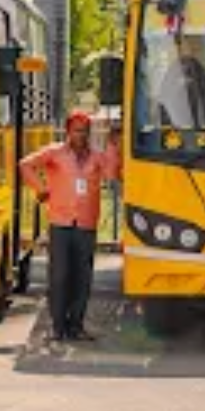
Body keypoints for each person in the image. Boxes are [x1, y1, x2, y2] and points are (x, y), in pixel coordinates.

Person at [20, 111, 121, 342]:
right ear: (68, 132)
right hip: (61, 223)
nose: (81, 135)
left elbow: (111, 173)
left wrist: (113, 146)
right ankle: (57, 327)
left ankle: (76, 326)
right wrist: (41, 189)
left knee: (82, 278)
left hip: (86, 223)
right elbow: (25, 164)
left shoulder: (96, 157)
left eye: (85, 131)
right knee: (59, 276)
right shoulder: (55, 153)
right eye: (77, 130)